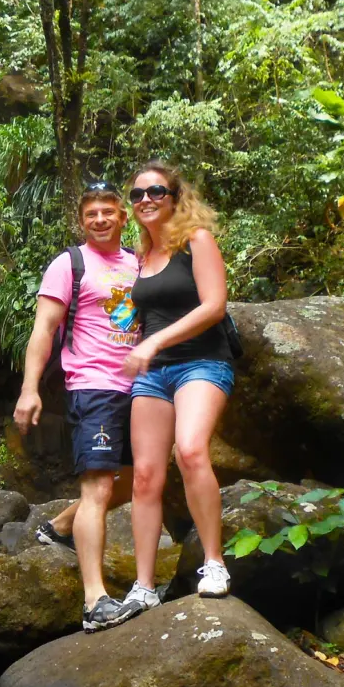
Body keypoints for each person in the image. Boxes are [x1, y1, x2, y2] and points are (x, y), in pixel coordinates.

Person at [13, 182, 144, 632]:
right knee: (99, 489)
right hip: (93, 386)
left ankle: (61, 526)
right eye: (92, 214)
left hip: (141, 389)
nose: (101, 219)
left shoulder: (140, 263)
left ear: (123, 217)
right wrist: (30, 389)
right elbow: (44, 330)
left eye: (109, 211)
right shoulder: (69, 264)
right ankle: (95, 602)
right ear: (81, 220)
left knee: (133, 483)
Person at [120, 159, 233, 610]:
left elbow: (214, 306)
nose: (145, 199)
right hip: (152, 373)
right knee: (145, 475)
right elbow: (143, 315)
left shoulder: (196, 241)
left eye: (155, 191)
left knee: (190, 450)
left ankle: (214, 562)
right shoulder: (140, 255)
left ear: (174, 196)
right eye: (137, 194)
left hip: (201, 363)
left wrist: (156, 342)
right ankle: (143, 587)